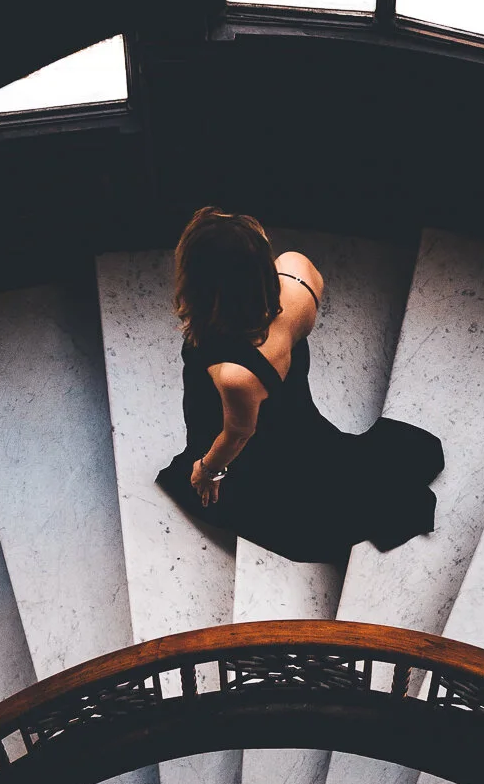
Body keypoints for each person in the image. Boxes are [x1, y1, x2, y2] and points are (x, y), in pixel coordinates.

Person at [155, 206, 443, 569]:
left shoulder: (234, 375)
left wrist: (208, 471)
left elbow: (239, 433)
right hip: (296, 415)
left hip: (257, 442)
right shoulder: (297, 275)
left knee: (229, 487)